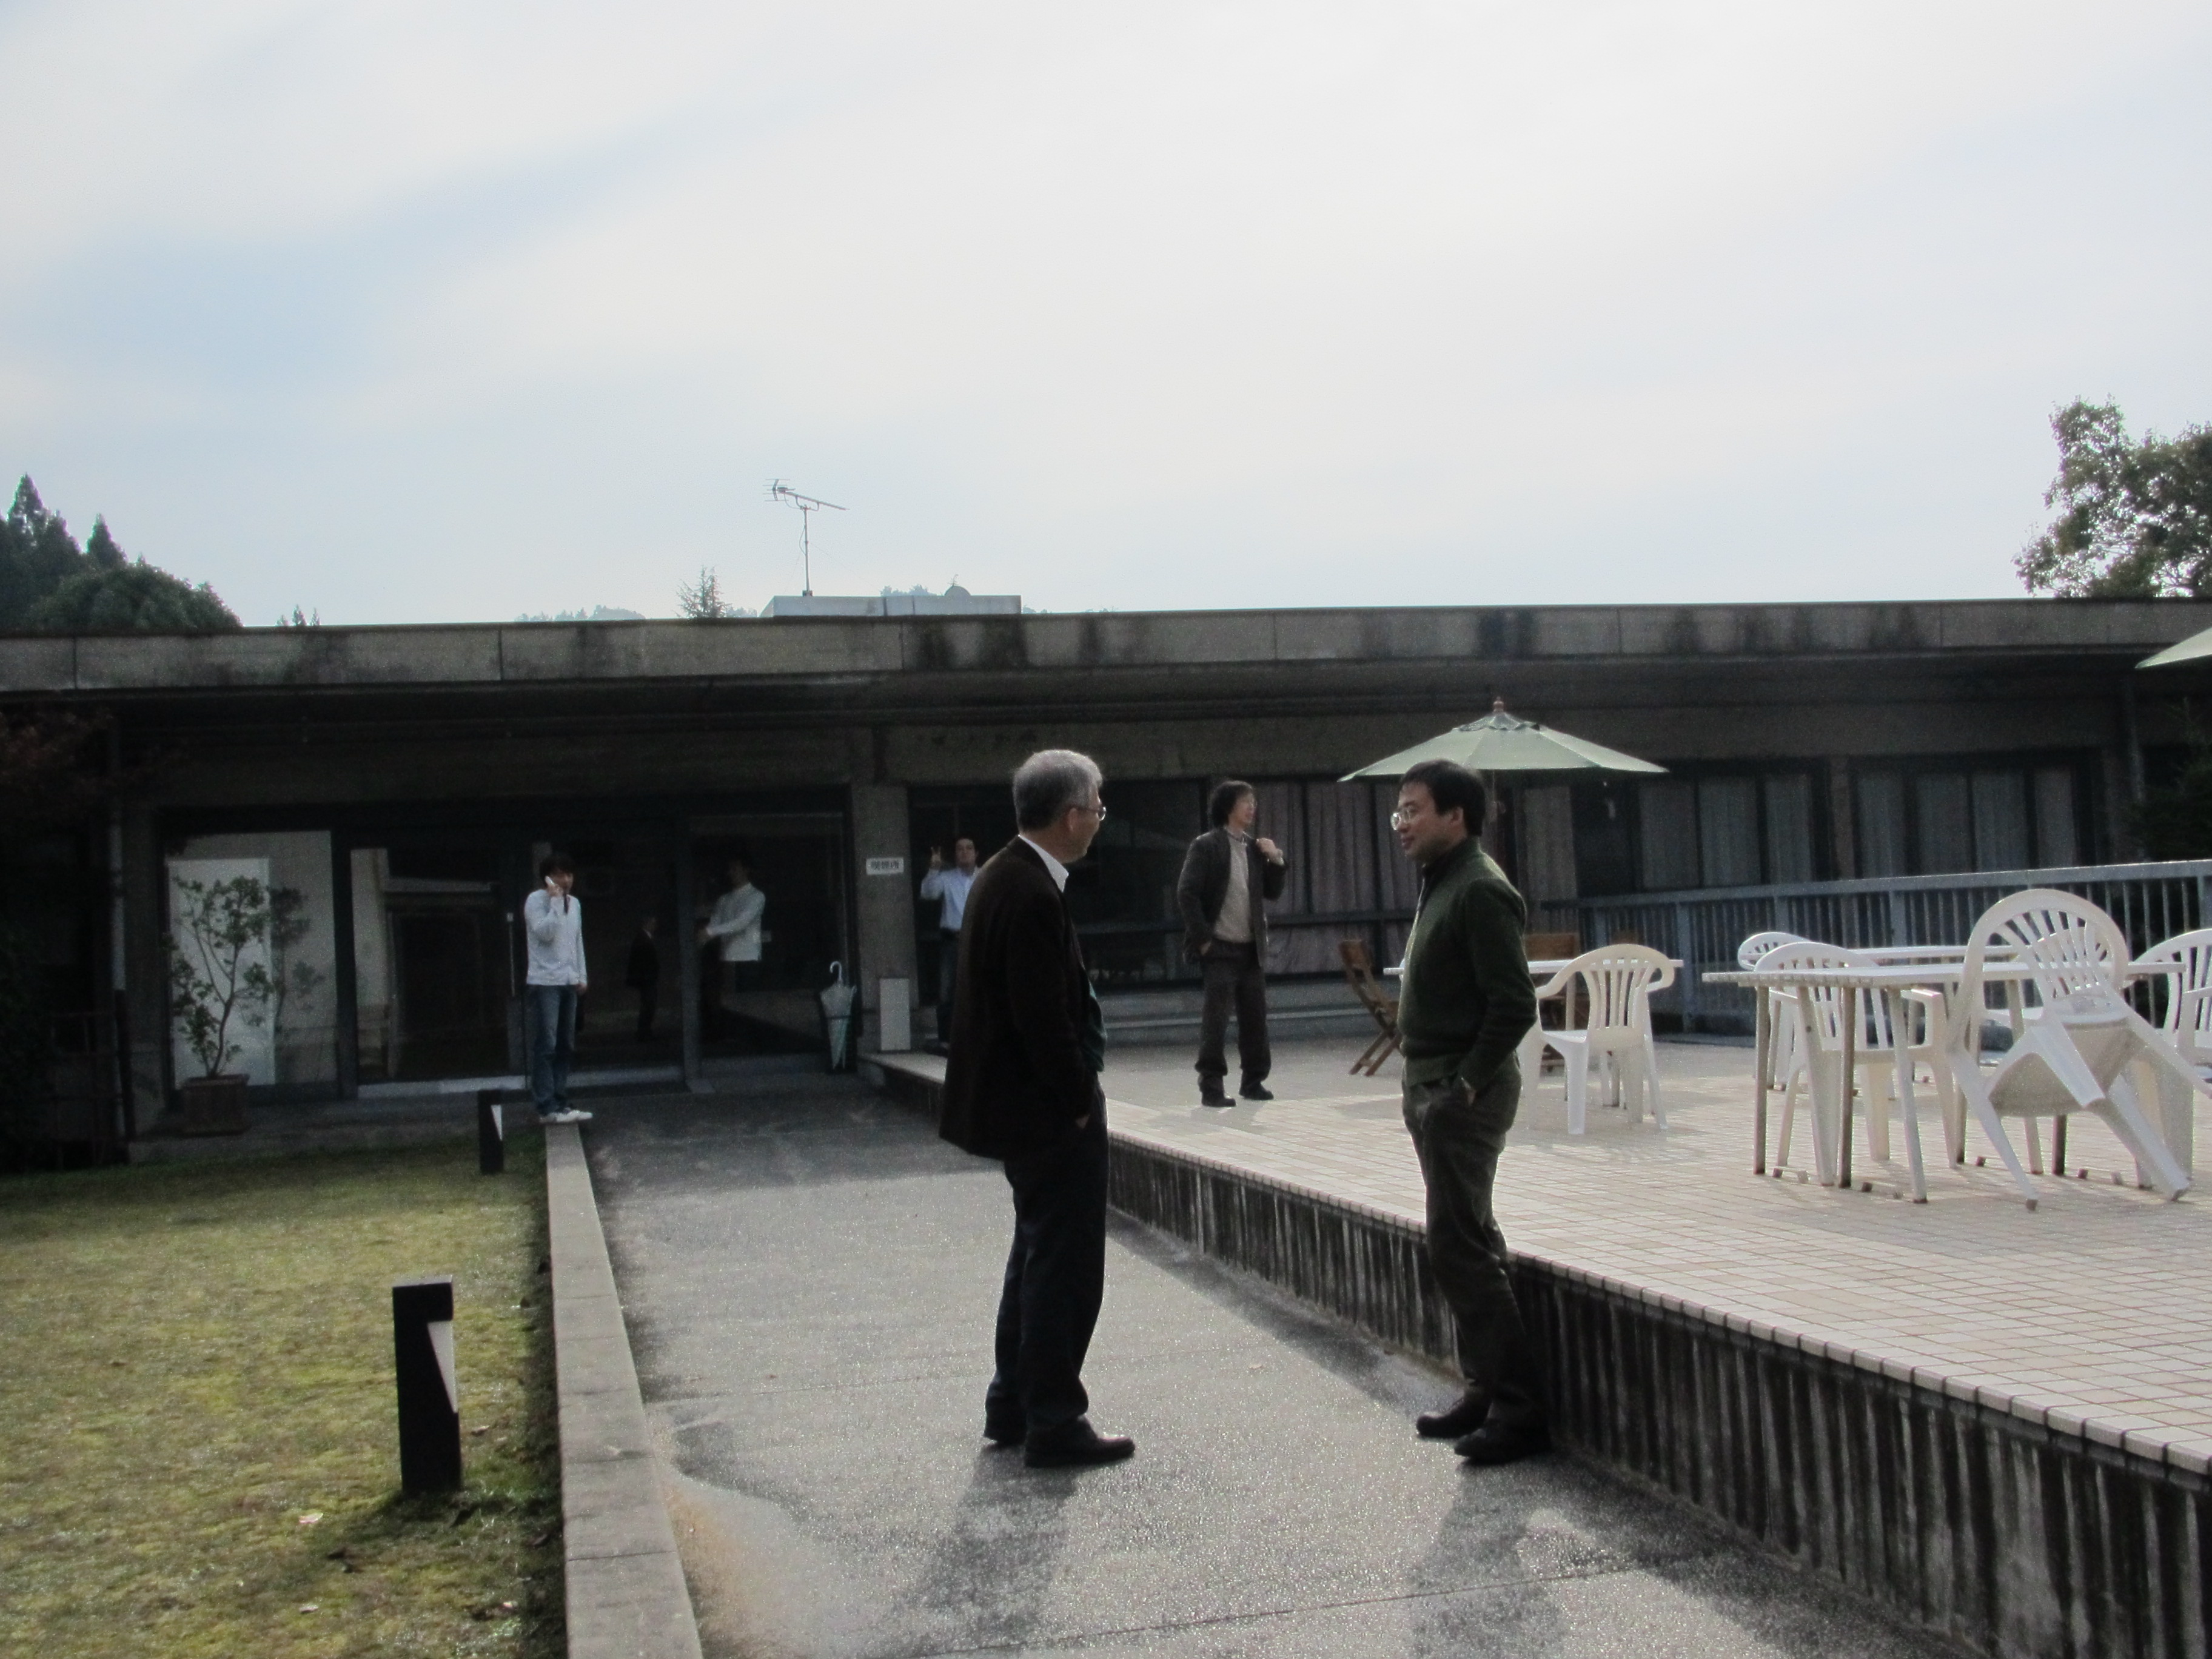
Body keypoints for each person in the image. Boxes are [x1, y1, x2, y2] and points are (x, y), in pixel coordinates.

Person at [940, 749, 1131, 1470]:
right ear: (1072, 816)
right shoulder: (1029, 890)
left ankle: (1015, 1404)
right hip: (1046, 1113)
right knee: (1064, 1265)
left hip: (1021, 1110)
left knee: (1036, 1254)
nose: (1100, 821)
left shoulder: (1004, 874)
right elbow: (1042, 1018)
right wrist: (1079, 1100)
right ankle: (1054, 1416)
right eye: (1098, 809)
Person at [1391, 758, 1544, 1464]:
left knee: (1458, 1246)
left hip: (1459, 1092)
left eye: (1415, 809)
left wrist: (1468, 1084)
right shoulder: (1441, 879)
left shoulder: (1480, 888)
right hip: (1430, 1084)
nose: (1403, 823)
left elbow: (1514, 1003)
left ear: (1456, 816)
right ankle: (1485, 1388)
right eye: (1399, 811)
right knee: (1467, 1236)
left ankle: (1519, 1409)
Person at [1176, 780, 1287, 1107]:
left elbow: (1272, 892)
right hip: (1220, 949)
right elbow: (1187, 893)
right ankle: (1211, 1086)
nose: (1252, 807)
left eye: (1253, 802)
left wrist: (1276, 860)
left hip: (1251, 950)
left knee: (1255, 1019)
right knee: (1217, 1021)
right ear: (1228, 806)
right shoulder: (1207, 845)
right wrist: (1204, 941)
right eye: (1245, 802)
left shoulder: (1254, 848)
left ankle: (1253, 1081)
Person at [522, 853, 594, 1126]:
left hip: (568, 981)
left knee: (566, 1044)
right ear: (548, 877)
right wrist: (554, 901)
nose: (566, 880)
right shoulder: (535, 901)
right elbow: (545, 933)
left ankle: (561, 1101)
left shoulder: (574, 904)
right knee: (547, 1044)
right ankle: (546, 1106)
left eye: (569, 875)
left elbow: (577, 941)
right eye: (560, 874)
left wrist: (581, 975)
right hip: (545, 982)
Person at [919, 835, 979, 1048]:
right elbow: (928, 893)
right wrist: (934, 869)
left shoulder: (986, 877)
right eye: (960, 849)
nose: (964, 852)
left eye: (969, 848)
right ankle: (946, 1040)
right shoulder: (947, 878)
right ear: (955, 855)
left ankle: (978, 1037)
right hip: (951, 941)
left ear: (976, 853)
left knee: (979, 989)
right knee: (947, 991)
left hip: (978, 941)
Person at [698, 856, 766, 1037]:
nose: (731, 873)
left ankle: (749, 1039)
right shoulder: (723, 900)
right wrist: (703, 937)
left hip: (748, 958)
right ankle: (732, 1037)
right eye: (730, 869)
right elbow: (715, 923)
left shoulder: (756, 896)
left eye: (735, 869)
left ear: (746, 870)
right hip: (727, 958)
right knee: (728, 1001)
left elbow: (742, 922)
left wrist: (710, 932)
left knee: (748, 1003)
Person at [625, 914, 660, 1041]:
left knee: (648, 1005)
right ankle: (644, 1032)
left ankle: (644, 1031)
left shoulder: (643, 938)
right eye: (653, 923)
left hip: (647, 979)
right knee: (648, 1005)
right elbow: (644, 961)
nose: (655, 926)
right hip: (647, 979)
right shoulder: (643, 940)